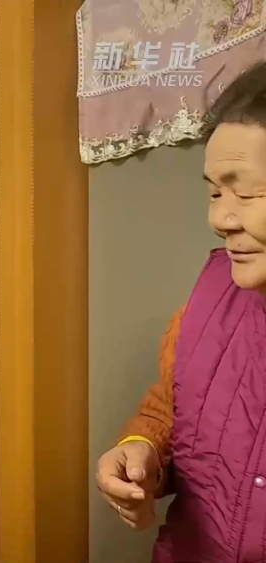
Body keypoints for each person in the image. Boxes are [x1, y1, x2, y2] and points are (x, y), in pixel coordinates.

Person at [95, 60, 266, 562]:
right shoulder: (209, 293)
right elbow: (174, 408)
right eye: (214, 192)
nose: (219, 217)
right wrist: (142, 450)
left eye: (246, 192)